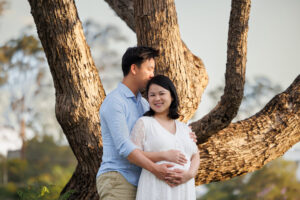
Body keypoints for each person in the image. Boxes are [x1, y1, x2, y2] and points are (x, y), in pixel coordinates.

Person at [96, 46, 194, 200]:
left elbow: (160, 131)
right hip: (118, 179)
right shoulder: (115, 102)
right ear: (134, 69)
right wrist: (156, 169)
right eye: (149, 69)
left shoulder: (143, 103)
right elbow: (125, 147)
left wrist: (186, 138)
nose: (152, 75)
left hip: (143, 182)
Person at [131, 75, 200, 200]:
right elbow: (133, 154)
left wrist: (189, 174)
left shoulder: (184, 128)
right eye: (152, 95)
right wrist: (164, 155)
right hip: (155, 190)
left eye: (161, 93)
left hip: (184, 191)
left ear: (172, 96)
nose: (157, 98)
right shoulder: (144, 123)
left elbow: (195, 154)